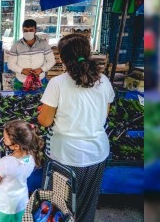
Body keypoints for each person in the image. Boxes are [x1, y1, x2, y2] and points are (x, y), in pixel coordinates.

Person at [37, 34, 115, 222]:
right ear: (88, 54)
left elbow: (45, 121)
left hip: (65, 157)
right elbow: (104, 114)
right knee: (86, 206)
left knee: (57, 207)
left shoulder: (57, 84)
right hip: (96, 154)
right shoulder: (103, 80)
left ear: (62, 58)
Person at [0, 120, 44, 222]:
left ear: (16, 146)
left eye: (5, 139)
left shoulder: (5, 162)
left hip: (4, 206)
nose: (3, 140)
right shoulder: (32, 157)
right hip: (21, 203)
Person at [7, 19, 56, 91]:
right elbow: (10, 64)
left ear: (35, 30)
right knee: (18, 100)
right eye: (25, 30)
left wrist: (41, 69)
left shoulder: (43, 44)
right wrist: (22, 70)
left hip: (39, 81)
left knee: (39, 101)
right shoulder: (16, 45)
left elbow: (51, 61)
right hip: (21, 81)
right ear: (22, 30)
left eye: (31, 30)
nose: (28, 32)